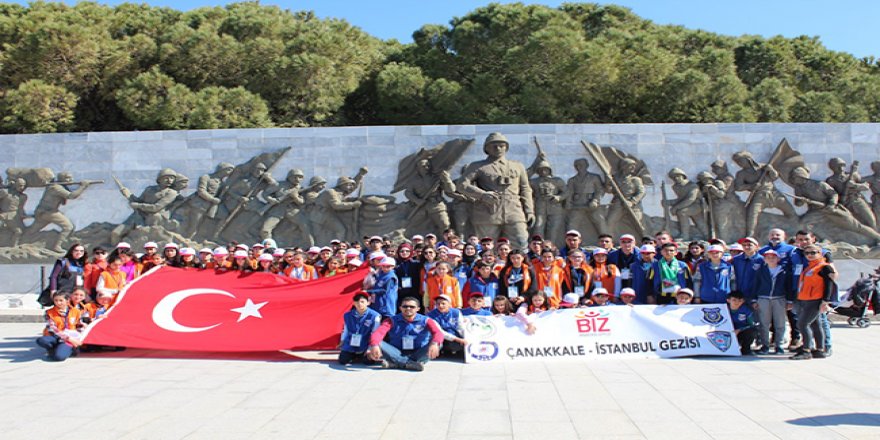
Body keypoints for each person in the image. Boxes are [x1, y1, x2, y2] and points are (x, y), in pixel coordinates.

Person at [459, 132, 535, 250]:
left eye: (502, 145)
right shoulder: (478, 166)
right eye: (493, 145)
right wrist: (482, 195)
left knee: (521, 243)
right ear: (486, 148)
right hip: (488, 211)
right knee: (487, 247)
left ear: (506, 147)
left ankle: (520, 268)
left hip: (513, 210)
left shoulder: (517, 166)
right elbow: (462, 185)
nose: (498, 148)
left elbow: (525, 189)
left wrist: (529, 211)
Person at [366, 297, 445, 371]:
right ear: (400, 308)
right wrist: (375, 345)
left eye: (412, 307)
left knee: (438, 343)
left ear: (418, 309)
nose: (408, 308)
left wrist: (434, 343)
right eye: (405, 306)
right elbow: (378, 333)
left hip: (418, 352)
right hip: (396, 352)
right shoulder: (391, 320)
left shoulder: (426, 320)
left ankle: (395, 364)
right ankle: (410, 364)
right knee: (377, 342)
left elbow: (438, 333)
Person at [790, 244, 835, 360]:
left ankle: (806, 350)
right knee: (815, 324)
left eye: (813, 252)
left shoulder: (824, 267)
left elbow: (829, 284)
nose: (810, 255)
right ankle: (819, 349)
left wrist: (825, 301)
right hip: (805, 298)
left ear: (820, 253)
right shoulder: (810, 266)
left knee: (802, 324)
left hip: (815, 299)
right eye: (807, 253)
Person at [752, 249, 792, 355]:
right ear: (764, 259)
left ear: (778, 259)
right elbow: (755, 284)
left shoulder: (783, 270)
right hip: (763, 298)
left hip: (779, 298)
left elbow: (789, 286)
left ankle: (779, 345)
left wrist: (789, 300)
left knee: (780, 323)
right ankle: (765, 345)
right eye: (768, 257)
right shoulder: (761, 270)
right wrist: (754, 299)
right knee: (764, 323)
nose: (771, 259)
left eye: (773, 257)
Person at [36, 291, 82, 361]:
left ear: (67, 301)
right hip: (56, 336)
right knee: (41, 340)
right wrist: (67, 338)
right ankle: (53, 349)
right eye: (56, 300)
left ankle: (71, 349)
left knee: (59, 357)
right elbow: (52, 328)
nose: (58, 303)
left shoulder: (76, 311)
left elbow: (79, 325)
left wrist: (78, 337)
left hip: (70, 336)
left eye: (61, 300)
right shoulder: (49, 312)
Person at [338, 292, 383, 365]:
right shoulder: (347, 315)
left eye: (362, 301)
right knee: (343, 360)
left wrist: (370, 348)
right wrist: (342, 340)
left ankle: (361, 355)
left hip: (366, 344)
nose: (359, 304)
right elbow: (345, 330)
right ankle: (354, 355)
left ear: (368, 302)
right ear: (353, 303)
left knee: (369, 362)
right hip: (351, 344)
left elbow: (375, 334)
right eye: (357, 301)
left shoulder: (375, 316)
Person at [728, 291, 758, 355]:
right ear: (728, 300)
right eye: (734, 300)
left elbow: (751, 325)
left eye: (739, 300)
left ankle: (746, 349)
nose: (737, 302)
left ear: (743, 301)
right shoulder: (723, 309)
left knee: (753, 330)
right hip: (727, 333)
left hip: (740, 333)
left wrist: (739, 330)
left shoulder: (746, 310)